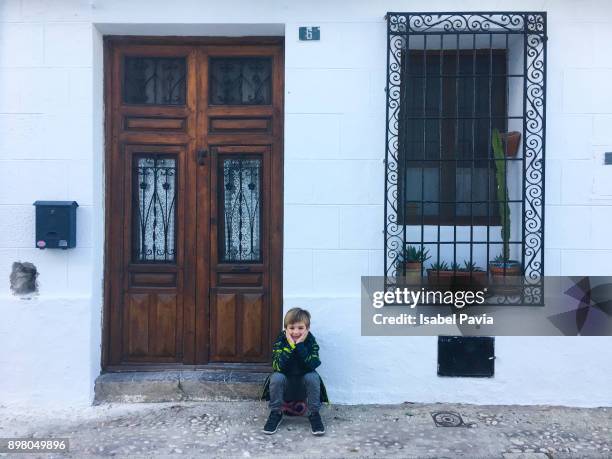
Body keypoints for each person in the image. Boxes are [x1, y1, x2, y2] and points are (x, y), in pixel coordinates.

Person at [260, 307, 329, 435]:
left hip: (303, 388)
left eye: (300, 328)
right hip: (285, 388)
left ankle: (314, 414)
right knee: (276, 377)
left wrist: (300, 345)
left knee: (313, 377)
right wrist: (291, 345)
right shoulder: (281, 341)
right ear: (286, 329)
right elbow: (277, 366)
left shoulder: (311, 341)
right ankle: (276, 413)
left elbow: (313, 364)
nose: (296, 332)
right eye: (292, 328)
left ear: (307, 329)